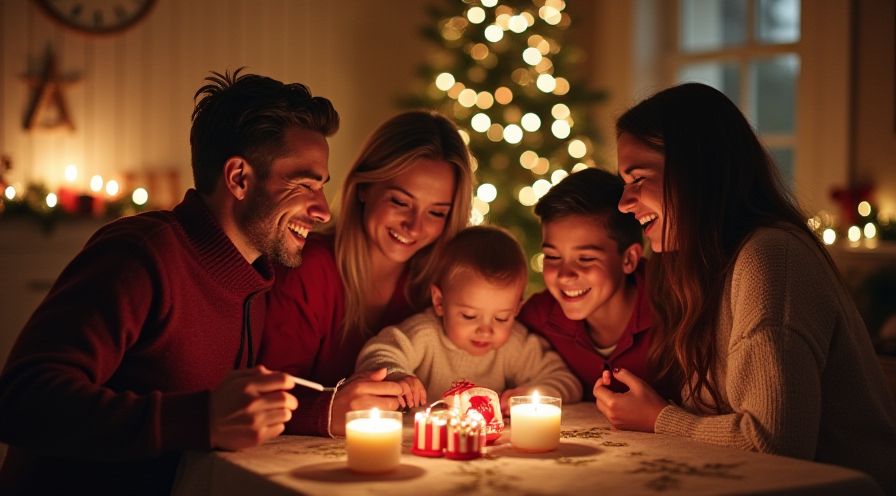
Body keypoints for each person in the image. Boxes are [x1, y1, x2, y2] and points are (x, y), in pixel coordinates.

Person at [0, 69, 339, 495]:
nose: (323, 211)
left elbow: (221, 412)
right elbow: (22, 400)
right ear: (238, 178)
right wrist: (198, 420)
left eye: (322, 187)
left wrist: (325, 411)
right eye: (305, 184)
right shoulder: (141, 253)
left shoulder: (255, 277)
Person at [595, 82, 896, 492]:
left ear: (695, 172)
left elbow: (775, 445)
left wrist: (658, 419)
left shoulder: (772, 258)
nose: (624, 203)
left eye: (638, 178)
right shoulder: (691, 267)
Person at [260, 110, 474, 436]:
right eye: (400, 202)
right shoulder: (310, 269)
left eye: (436, 212)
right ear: (364, 188)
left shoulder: (438, 288)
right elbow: (266, 394)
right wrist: (329, 410)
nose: (415, 226)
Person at [356, 225, 582, 413]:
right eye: (469, 315)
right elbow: (378, 353)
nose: (486, 330)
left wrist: (534, 395)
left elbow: (566, 380)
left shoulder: (515, 344)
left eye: (502, 318)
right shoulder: (424, 334)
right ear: (439, 302)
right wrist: (397, 376)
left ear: (516, 309)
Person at [518, 168, 674, 400]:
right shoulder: (537, 319)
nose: (564, 276)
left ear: (629, 259)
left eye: (586, 258)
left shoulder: (675, 310)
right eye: (552, 256)